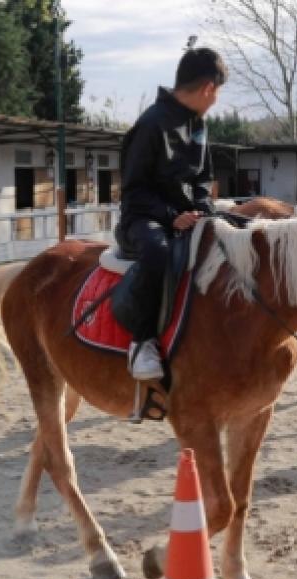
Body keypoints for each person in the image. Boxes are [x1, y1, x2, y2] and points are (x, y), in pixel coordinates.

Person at [115, 47, 226, 380]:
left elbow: (203, 179)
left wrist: (205, 208)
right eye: (218, 92)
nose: (216, 99)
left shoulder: (199, 126)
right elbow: (134, 190)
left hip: (188, 215)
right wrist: (169, 216)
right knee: (158, 251)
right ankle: (142, 342)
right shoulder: (150, 125)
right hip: (144, 218)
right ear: (208, 88)